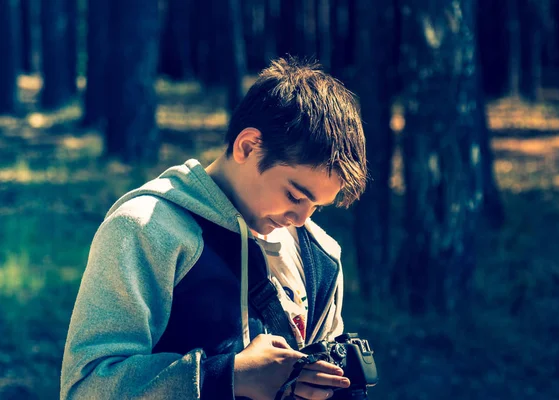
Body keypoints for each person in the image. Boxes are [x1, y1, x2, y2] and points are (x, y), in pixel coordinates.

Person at [60, 57, 368, 400]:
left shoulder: (321, 256)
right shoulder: (146, 231)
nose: (301, 218)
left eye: (316, 207)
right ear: (248, 146)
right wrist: (227, 376)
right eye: (295, 196)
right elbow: (87, 388)